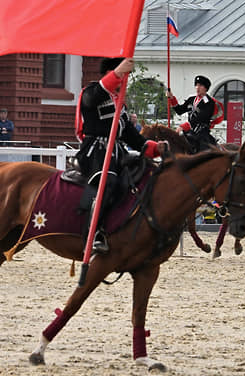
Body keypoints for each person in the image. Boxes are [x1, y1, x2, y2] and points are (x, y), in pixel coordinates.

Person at [75, 57, 166, 254]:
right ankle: (94, 232)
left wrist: (155, 148)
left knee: (145, 176)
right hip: (96, 150)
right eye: (122, 76)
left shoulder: (120, 104)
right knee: (107, 182)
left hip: (117, 152)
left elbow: (132, 137)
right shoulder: (91, 91)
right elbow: (93, 98)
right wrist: (117, 73)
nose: (124, 80)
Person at [167, 75, 217, 153]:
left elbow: (201, 117)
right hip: (190, 132)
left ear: (205, 88)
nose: (197, 87)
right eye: (196, 85)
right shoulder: (191, 99)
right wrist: (172, 98)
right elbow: (180, 110)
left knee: (202, 151)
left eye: (200, 85)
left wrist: (185, 125)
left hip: (202, 133)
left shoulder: (209, 102)